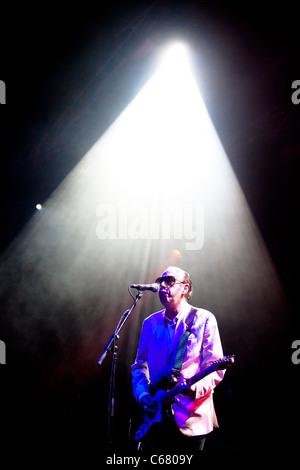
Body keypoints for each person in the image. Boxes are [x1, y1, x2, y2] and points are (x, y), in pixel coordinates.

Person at [131, 266, 225, 454]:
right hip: (156, 417)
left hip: (192, 419)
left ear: (186, 288)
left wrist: (196, 389)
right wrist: (142, 396)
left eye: (170, 281)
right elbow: (140, 366)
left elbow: (215, 367)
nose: (163, 285)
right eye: (161, 281)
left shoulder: (204, 319)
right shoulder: (150, 323)